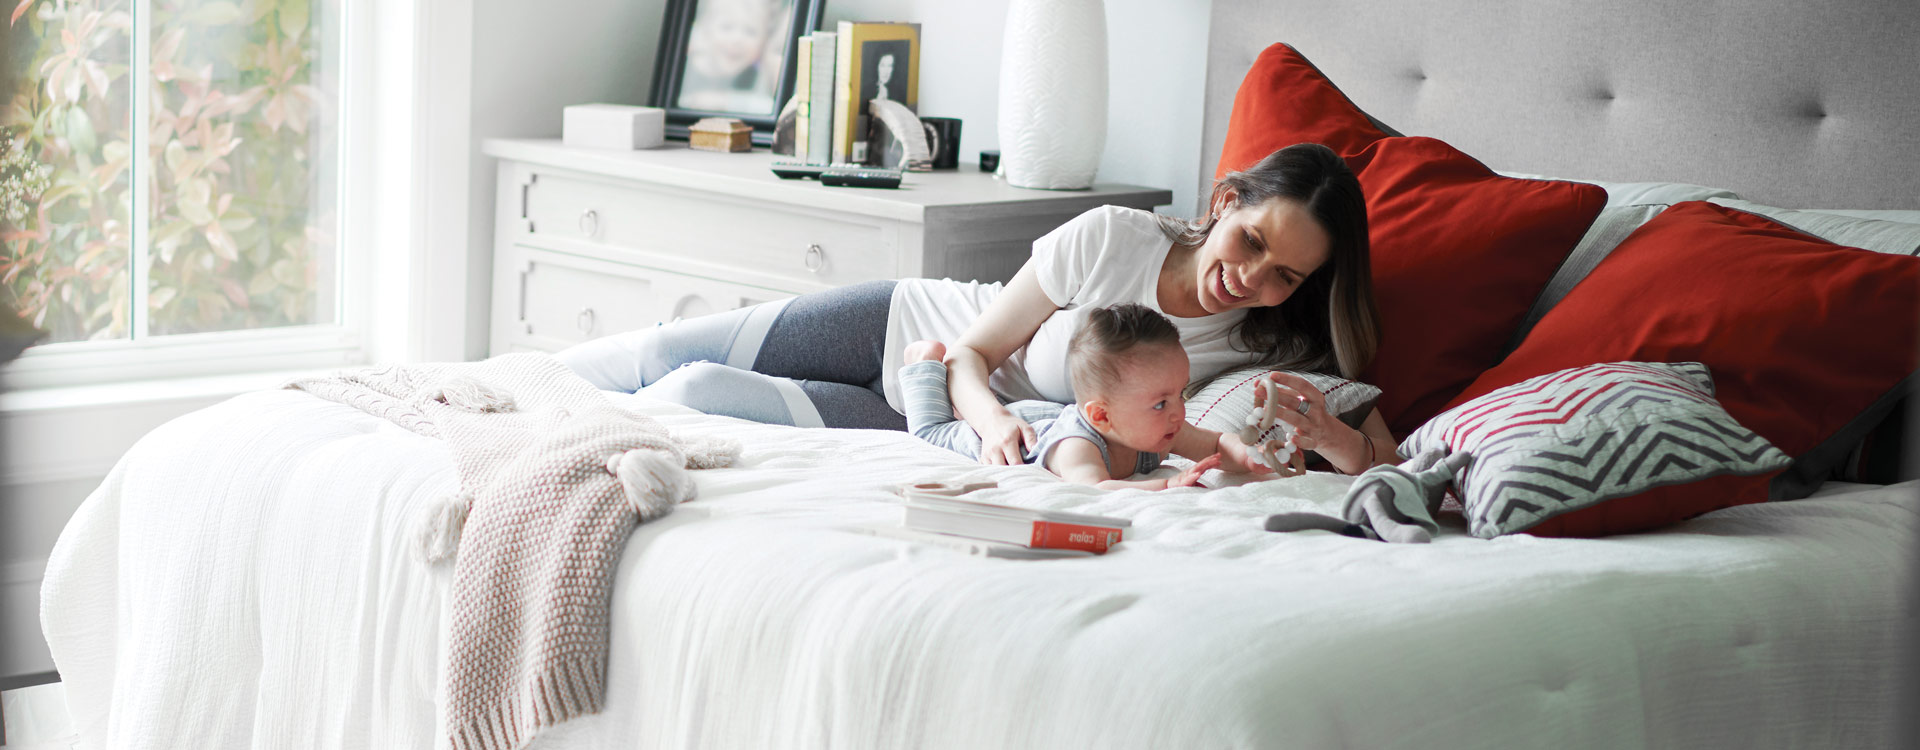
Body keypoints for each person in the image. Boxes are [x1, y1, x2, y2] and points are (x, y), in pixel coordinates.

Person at [557, 142, 1398, 475]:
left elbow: (1387, 465)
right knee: (661, 352)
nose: (1252, 278)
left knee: (697, 391)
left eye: (1286, 274)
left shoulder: (1265, 345)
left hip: (929, 421)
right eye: (1251, 242)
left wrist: (1332, 438)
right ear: (1225, 201)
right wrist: (996, 422)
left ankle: (566, 430)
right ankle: (488, 393)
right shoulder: (1116, 238)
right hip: (918, 331)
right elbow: (970, 350)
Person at [901, 304, 1284, 490]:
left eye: (1180, 394)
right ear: (1101, 418)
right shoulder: (1079, 449)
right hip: (1012, 434)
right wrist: (1167, 483)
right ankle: (923, 363)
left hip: (1049, 416)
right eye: (1161, 402)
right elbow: (1099, 489)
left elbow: (1215, 444)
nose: (1178, 413)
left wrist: (1252, 457)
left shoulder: (1158, 427)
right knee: (932, 432)